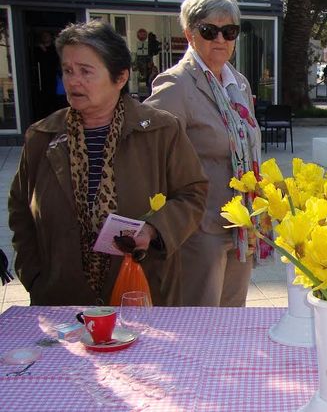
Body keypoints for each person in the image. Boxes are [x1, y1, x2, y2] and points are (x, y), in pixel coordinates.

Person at [8, 20, 208, 306]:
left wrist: (154, 229)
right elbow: (20, 210)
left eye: (85, 71)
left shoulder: (161, 130)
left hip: (142, 292)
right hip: (61, 299)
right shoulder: (42, 136)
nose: (73, 81)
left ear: (120, 77)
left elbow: (193, 193)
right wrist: (34, 276)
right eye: (68, 70)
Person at [146, 0, 262, 307]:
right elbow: (150, 153)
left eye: (230, 31)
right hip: (201, 228)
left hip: (241, 222)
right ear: (190, 34)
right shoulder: (175, 84)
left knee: (233, 317)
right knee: (200, 320)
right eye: (209, 31)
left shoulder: (238, 83)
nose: (220, 39)